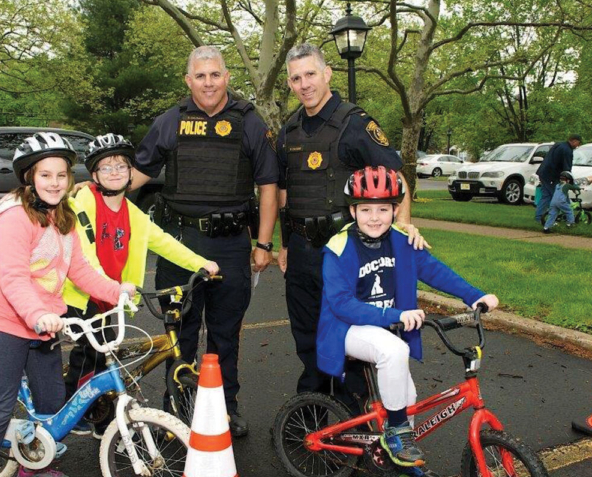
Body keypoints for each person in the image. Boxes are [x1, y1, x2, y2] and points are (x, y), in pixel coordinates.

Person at [0, 132, 136, 477]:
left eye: (61, 174)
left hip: (45, 324)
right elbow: (13, 278)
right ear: (28, 178)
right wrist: (37, 314)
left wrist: (118, 291)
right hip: (3, 322)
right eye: (45, 174)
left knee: (52, 403)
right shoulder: (15, 218)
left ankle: (29, 468)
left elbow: (81, 272)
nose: (55, 182)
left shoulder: (63, 216)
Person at [126, 46, 279, 437]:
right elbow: (135, 175)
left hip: (230, 245)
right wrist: (84, 194)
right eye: (200, 76)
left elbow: (267, 186)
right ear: (188, 80)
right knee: (182, 332)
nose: (208, 83)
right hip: (179, 242)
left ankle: (225, 409)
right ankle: (175, 410)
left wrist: (263, 244)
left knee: (226, 333)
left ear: (227, 77)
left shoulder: (248, 122)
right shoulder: (170, 121)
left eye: (215, 75)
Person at [317, 166, 499, 477]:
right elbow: (341, 303)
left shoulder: (402, 241)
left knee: (408, 395)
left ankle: (402, 459)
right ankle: (397, 437)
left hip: (386, 326)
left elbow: (436, 271)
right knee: (394, 350)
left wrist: (475, 296)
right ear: (352, 210)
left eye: (383, 209)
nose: (375, 217)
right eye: (366, 209)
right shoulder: (339, 247)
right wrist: (396, 315)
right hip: (345, 329)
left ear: (396, 210)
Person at [276, 43, 426, 408]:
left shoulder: (355, 123)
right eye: (296, 78)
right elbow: (284, 192)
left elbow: (396, 178)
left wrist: (402, 228)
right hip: (301, 251)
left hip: (347, 252)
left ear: (327, 74)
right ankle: (312, 407)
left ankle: (353, 411)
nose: (304, 84)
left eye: (310, 74)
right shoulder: (289, 130)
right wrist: (283, 244)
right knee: (307, 333)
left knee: (351, 336)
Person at [62, 133, 220, 436]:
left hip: (112, 298)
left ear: (131, 173)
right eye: (106, 168)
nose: (115, 173)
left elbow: (164, 242)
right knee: (90, 355)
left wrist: (201, 263)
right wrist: (110, 287)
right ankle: (71, 406)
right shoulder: (83, 202)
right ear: (94, 174)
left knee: (108, 358)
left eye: (121, 166)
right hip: (83, 296)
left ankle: (101, 417)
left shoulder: (133, 214)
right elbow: (83, 255)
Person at [536, 135, 581, 224]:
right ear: (574, 141)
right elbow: (566, 168)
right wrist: (570, 182)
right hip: (551, 176)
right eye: (578, 143)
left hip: (543, 172)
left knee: (546, 196)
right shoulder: (567, 150)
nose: (577, 146)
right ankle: (567, 217)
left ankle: (539, 217)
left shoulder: (559, 144)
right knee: (559, 196)